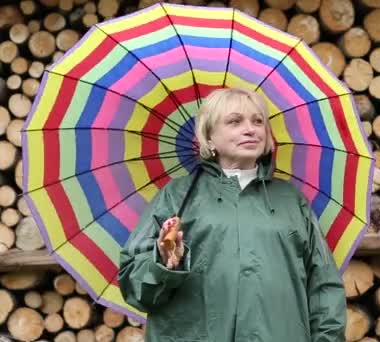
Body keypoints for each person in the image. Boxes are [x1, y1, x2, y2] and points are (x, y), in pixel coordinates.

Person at [118, 87, 347, 342]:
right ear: (209, 138)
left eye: (258, 121)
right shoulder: (178, 196)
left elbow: (324, 285)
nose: (251, 129)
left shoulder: (291, 201)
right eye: (235, 121)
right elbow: (135, 288)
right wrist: (163, 264)